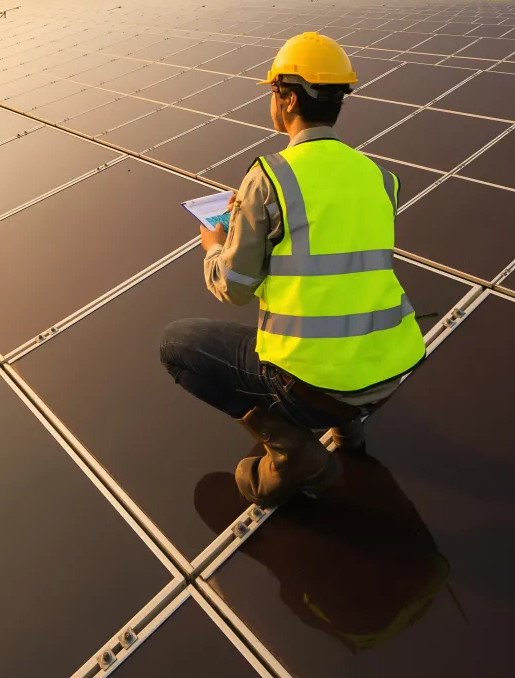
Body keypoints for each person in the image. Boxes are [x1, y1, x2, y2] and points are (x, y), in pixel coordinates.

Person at [160, 31, 426, 505]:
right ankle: (349, 435)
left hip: (307, 387)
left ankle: (292, 452)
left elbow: (235, 287)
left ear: (285, 98)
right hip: (388, 373)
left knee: (177, 344)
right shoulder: (380, 177)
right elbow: (342, 268)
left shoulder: (270, 176)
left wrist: (214, 244)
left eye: (273, 92)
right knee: (338, 322)